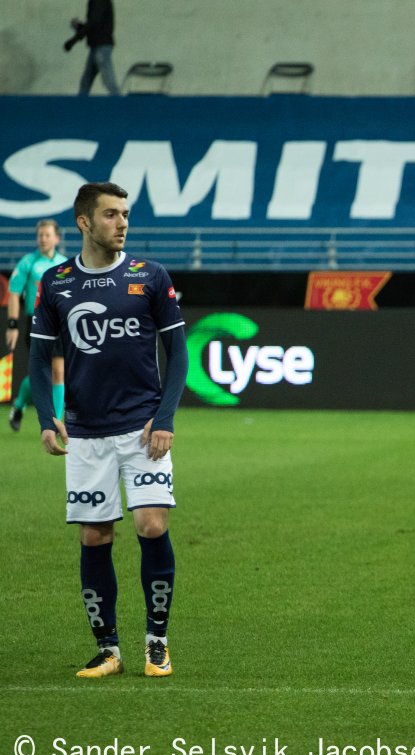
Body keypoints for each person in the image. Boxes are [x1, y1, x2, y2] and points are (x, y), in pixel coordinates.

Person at [29, 182, 188, 679]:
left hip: (142, 430)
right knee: (96, 538)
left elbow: (178, 354)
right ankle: (108, 650)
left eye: (125, 214)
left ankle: (156, 642)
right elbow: (37, 358)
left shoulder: (150, 276)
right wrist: (44, 419)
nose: (122, 223)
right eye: (111, 214)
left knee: (152, 525)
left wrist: (163, 418)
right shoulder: (56, 283)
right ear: (84, 222)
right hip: (85, 435)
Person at [7, 220, 67, 431]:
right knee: (39, 375)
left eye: (47, 235)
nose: (43, 239)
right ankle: (19, 404)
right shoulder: (28, 263)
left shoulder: (64, 264)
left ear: (56, 238)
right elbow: (14, 293)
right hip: (36, 322)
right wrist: (12, 324)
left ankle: (56, 422)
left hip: (58, 323)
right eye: (40, 235)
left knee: (59, 373)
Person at [72, 0, 121, 96]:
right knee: (86, 80)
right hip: (98, 45)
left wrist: (74, 39)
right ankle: (79, 105)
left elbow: (94, 22)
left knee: (107, 79)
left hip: (101, 46)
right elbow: (96, 24)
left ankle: (121, 104)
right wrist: (80, 28)